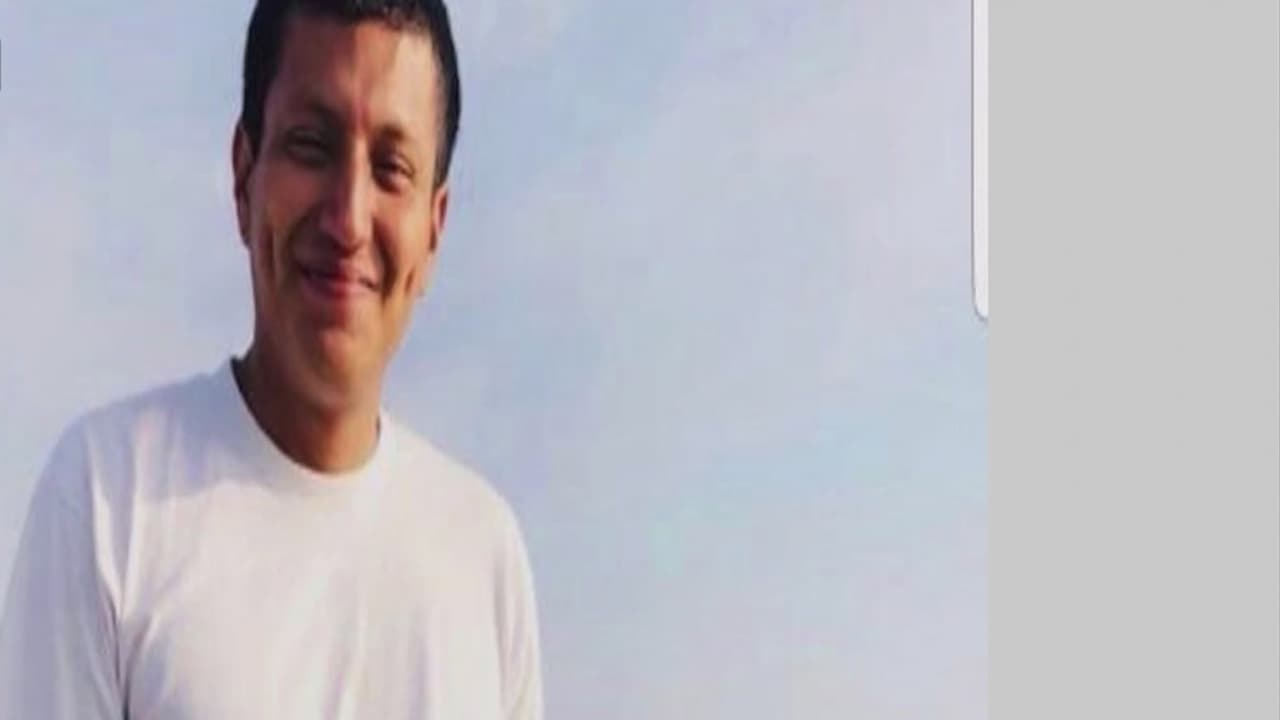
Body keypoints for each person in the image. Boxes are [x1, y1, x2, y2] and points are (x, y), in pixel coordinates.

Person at [0, 1, 544, 717]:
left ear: (434, 228)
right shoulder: (106, 501)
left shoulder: (483, 556)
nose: (348, 219)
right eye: (312, 146)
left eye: (391, 168)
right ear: (243, 177)